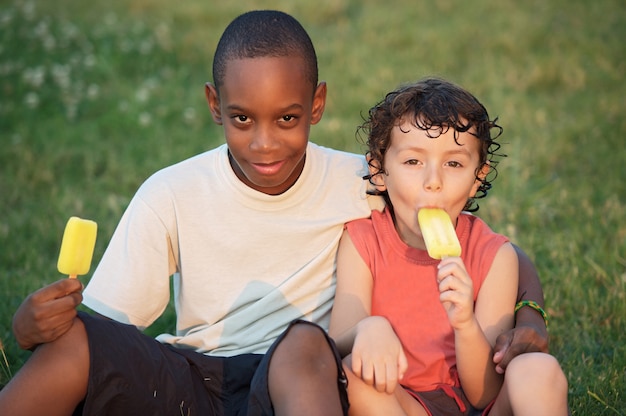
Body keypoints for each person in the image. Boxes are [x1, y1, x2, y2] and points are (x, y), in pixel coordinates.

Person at [0, 11, 552, 416]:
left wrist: (528, 314)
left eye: (287, 119)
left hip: (298, 379)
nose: (265, 143)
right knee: (75, 342)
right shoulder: (170, 192)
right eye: (242, 119)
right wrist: (35, 330)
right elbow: (105, 327)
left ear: (316, 106)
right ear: (215, 106)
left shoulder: (364, 180)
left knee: (306, 339)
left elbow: (490, 248)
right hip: (192, 378)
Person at [328, 78, 568, 415]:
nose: (433, 181)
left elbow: (483, 393)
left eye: (453, 164)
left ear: (477, 178)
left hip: (478, 407)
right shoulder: (363, 241)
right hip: (403, 403)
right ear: (379, 170)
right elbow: (336, 340)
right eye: (413, 162)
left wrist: (465, 324)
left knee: (539, 370)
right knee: (352, 375)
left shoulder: (494, 256)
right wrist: (369, 328)